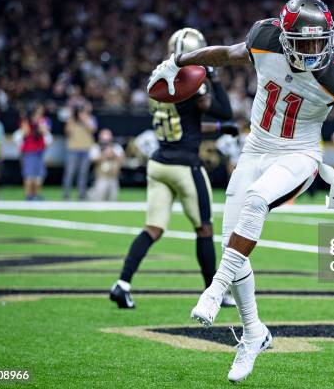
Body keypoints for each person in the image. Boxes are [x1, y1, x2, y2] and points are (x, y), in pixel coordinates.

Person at [147, 0, 334, 382]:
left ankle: (215, 289)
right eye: (303, 43)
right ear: (284, 37)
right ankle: (254, 334)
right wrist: (179, 60)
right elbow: (227, 53)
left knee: (255, 202)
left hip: (299, 154)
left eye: (320, 42)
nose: (313, 51)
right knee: (232, 245)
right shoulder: (264, 39)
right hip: (256, 150)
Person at [110, 28, 237, 310]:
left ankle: (122, 284)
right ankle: (211, 293)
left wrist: (216, 128)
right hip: (184, 166)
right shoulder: (190, 78)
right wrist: (213, 75)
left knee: (152, 229)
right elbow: (221, 109)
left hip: (158, 163)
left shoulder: (159, 77)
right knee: (204, 229)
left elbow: (185, 122)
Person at [13, 103, 52, 200]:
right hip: (29, 152)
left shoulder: (42, 123)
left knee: (39, 176)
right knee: (29, 175)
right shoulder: (26, 123)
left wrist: (43, 130)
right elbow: (17, 137)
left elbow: (48, 138)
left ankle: (36, 194)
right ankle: (28, 195)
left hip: (39, 152)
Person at [62, 103, 97, 200]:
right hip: (73, 149)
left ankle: (81, 194)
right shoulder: (71, 120)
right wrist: (72, 119)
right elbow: (67, 131)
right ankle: (66, 193)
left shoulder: (90, 119)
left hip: (85, 149)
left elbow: (92, 129)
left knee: (83, 173)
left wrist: (84, 119)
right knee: (70, 172)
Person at [87, 129, 124, 201]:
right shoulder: (96, 147)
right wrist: (104, 155)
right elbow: (93, 160)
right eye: (104, 140)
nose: (106, 142)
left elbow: (122, 159)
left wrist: (113, 154)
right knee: (99, 198)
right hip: (101, 177)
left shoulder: (116, 147)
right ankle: (90, 194)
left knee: (113, 198)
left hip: (113, 177)